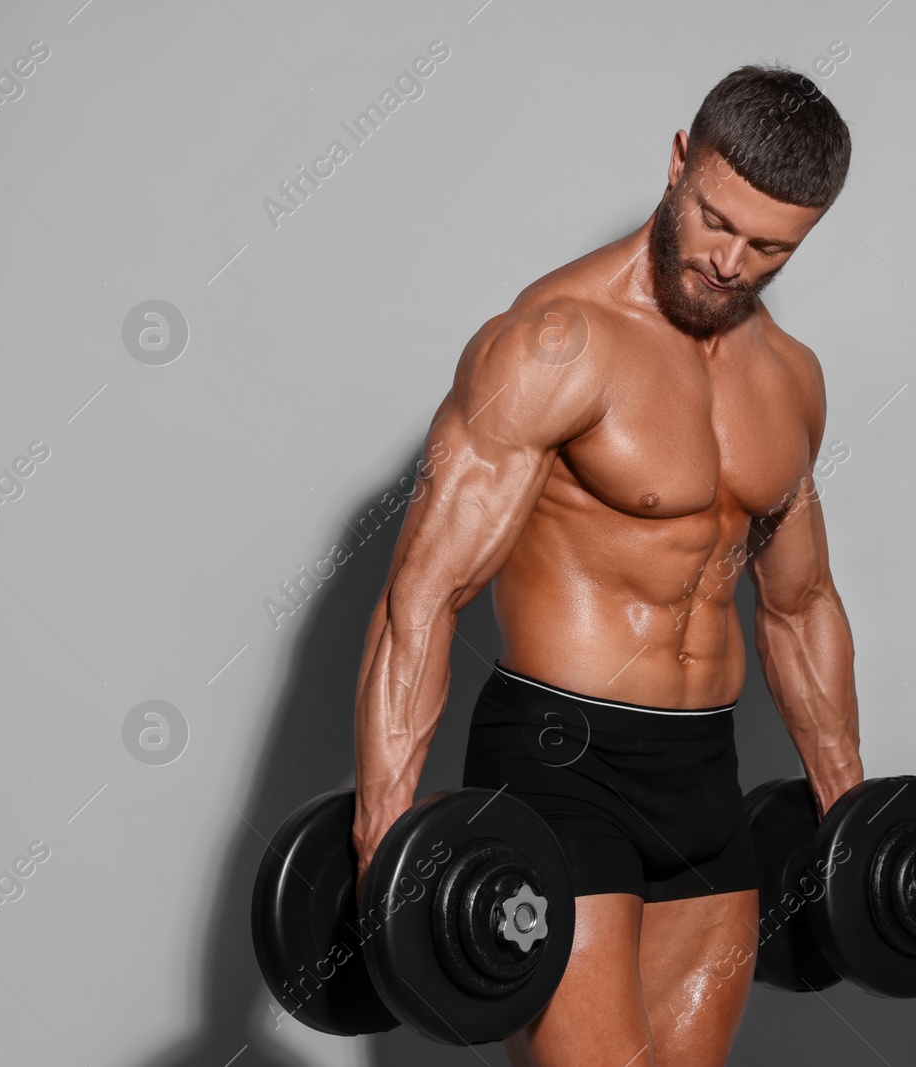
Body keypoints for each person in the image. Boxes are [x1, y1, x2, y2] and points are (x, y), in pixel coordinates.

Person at [350, 64, 861, 1066]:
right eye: (715, 220)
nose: (727, 261)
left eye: (768, 248)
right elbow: (424, 592)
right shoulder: (556, 342)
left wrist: (847, 815)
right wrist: (381, 834)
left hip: (709, 779)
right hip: (559, 768)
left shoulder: (790, 379)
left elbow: (800, 606)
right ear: (677, 161)